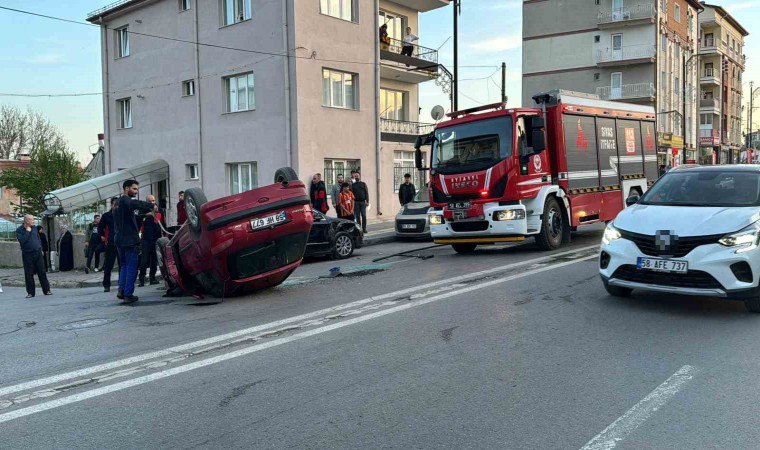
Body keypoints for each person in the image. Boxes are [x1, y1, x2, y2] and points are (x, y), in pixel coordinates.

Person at [115, 180, 158, 303]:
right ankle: (128, 294)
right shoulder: (125, 200)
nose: (136, 191)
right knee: (132, 267)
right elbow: (135, 204)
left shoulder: (118, 203)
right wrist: (150, 206)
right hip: (129, 240)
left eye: (137, 189)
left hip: (120, 239)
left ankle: (121, 290)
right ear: (126, 188)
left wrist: (145, 215)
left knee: (124, 266)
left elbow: (129, 219)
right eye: (134, 189)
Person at [16, 215, 51, 298]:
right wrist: (27, 232)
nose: (33, 221)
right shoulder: (19, 230)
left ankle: (47, 290)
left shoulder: (35, 228)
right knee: (29, 274)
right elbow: (22, 241)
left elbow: (38, 239)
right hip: (27, 254)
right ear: (27, 221)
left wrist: (41, 249)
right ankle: (31, 292)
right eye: (32, 220)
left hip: (38, 252)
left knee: (42, 272)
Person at [138, 194, 162, 287]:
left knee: (154, 259)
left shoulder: (158, 210)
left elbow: (162, 221)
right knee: (144, 259)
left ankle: (152, 277)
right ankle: (142, 279)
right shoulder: (143, 210)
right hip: (146, 238)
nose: (152, 203)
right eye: (150, 201)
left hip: (156, 238)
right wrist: (146, 215)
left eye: (153, 201)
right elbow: (138, 218)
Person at [98, 197, 119, 293]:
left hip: (121, 242)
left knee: (122, 265)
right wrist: (102, 235)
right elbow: (100, 227)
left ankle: (121, 284)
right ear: (111, 205)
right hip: (110, 242)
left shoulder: (121, 214)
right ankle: (106, 285)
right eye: (115, 204)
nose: (116, 206)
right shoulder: (106, 216)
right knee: (108, 265)